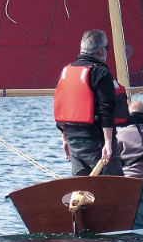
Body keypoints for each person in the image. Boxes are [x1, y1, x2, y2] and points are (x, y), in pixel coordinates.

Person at [53, 29, 129, 176]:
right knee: (113, 185)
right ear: (100, 51)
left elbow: (60, 106)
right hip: (97, 141)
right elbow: (106, 109)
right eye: (107, 48)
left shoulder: (66, 72)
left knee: (82, 188)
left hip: (74, 142)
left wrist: (65, 138)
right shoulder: (101, 72)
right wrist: (108, 142)